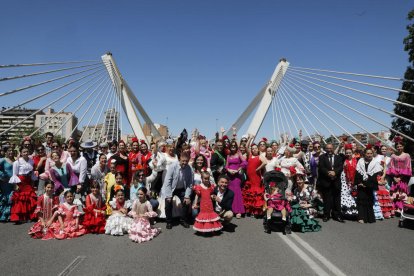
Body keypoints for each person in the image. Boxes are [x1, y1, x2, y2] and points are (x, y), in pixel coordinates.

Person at [163, 152, 194, 229]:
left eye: (186, 161)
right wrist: (169, 195)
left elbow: (190, 183)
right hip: (172, 188)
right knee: (168, 203)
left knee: (186, 202)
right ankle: (169, 221)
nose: (185, 163)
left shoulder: (189, 168)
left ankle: (183, 220)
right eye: (183, 161)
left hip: (182, 189)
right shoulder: (172, 166)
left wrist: (187, 196)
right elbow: (168, 181)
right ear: (179, 159)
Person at [354, 148, 383, 223]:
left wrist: (366, 184)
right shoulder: (360, 161)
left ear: (372, 154)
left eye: (371, 153)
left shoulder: (375, 162)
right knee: (360, 201)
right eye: (368, 153)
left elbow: (374, 176)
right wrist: (359, 183)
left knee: (369, 201)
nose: (369, 155)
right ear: (364, 154)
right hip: (360, 185)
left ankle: (369, 218)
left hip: (370, 185)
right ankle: (361, 217)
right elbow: (357, 173)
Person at [317, 143, 344, 222]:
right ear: (325, 149)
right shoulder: (322, 157)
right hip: (326, 181)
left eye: (330, 148)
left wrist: (335, 172)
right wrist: (328, 173)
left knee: (337, 199)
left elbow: (340, 167)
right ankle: (326, 215)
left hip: (336, 181)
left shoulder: (338, 157)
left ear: (333, 148)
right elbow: (321, 167)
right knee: (327, 200)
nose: (329, 150)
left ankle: (337, 215)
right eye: (327, 148)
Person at [9, 147, 37, 223]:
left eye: (27, 151)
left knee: (29, 198)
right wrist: (16, 185)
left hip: (29, 181)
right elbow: (14, 174)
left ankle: (29, 216)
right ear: (21, 153)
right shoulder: (17, 162)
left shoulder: (32, 161)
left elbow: (32, 173)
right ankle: (19, 217)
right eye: (24, 152)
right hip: (21, 181)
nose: (26, 153)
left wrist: (32, 182)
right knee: (21, 199)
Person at [387, 137, 412, 215]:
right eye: (397, 146)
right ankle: (394, 209)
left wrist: (400, 178)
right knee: (394, 192)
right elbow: (391, 166)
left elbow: (407, 167)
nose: (399, 148)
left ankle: (400, 208)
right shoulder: (393, 156)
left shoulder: (407, 155)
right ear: (395, 147)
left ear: (403, 147)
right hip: (394, 177)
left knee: (401, 192)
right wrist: (394, 177)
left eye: (400, 146)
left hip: (403, 178)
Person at [243, 143, 266, 217]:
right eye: (252, 149)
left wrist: (258, 168)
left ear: (258, 149)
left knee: (256, 192)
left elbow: (265, 162)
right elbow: (246, 146)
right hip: (250, 177)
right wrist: (250, 138)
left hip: (256, 177)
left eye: (255, 148)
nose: (254, 149)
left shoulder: (260, 156)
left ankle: (256, 211)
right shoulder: (250, 155)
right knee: (250, 193)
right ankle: (250, 210)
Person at [225, 141, 247, 218]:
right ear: (230, 147)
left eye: (234, 145)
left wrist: (239, 169)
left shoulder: (239, 154)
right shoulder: (228, 155)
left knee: (237, 192)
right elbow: (226, 166)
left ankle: (238, 211)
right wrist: (229, 170)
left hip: (237, 176)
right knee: (230, 192)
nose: (233, 147)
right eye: (232, 145)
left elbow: (245, 162)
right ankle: (231, 209)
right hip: (229, 176)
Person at [340, 144, 358, 218]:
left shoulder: (356, 160)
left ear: (352, 152)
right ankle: (345, 212)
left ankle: (353, 212)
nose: (348, 154)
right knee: (346, 195)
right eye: (346, 153)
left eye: (349, 152)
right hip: (346, 181)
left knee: (353, 195)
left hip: (354, 180)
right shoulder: (344, 161)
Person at [0, 146, 15, 221]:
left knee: (11, 197)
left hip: (13, 182)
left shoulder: (15, 160)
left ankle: (9, 215)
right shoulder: (2, 160)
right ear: (6, 152)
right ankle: (3, 215)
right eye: (9, 150)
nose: (11, 152)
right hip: (5, 182)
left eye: (12, 150)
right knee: (6, 197)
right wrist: (2, 176)